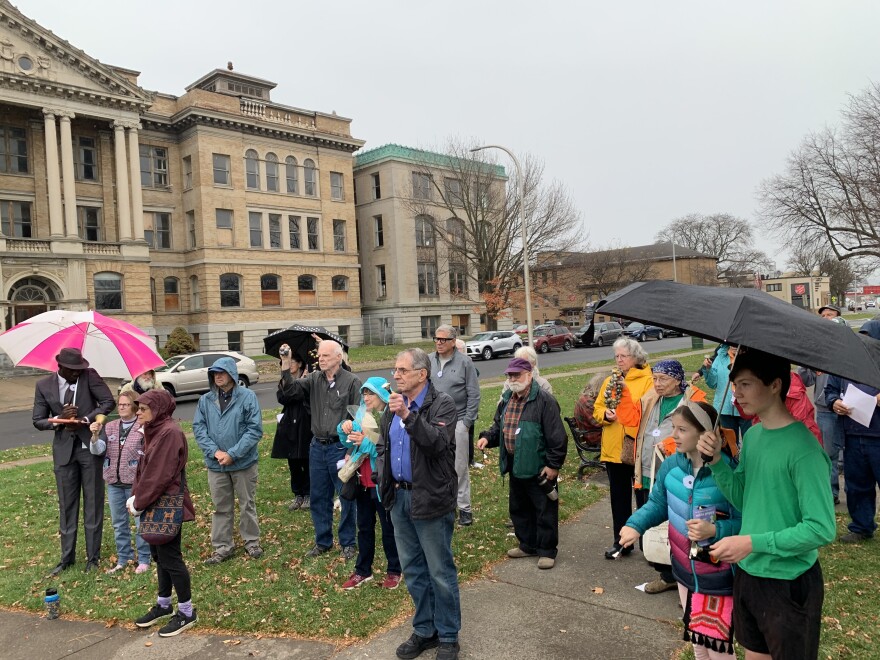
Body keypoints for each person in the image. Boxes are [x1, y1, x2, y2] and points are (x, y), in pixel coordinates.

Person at [697, 348, 836, 660]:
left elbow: (822, 529)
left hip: (788, 583)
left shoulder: (805, 451)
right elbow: (744, 497)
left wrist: (752, 542)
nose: (736, 395)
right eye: (734, 386)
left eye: (745, 384)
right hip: (749, 575)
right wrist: (718, 461)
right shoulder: (756, 436)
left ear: (775, 385)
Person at [620, 401, 741, 659]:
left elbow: (746, 521)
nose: (673, 435)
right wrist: (635, 525)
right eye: (673, 428)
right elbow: (657, 503)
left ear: (705, 434)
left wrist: (715, 529)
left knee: (716, 645)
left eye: (682, 430)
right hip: (684, 571)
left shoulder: (728, 472)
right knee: (697, 638)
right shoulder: (672, 466)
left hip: (717, 575)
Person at [377, 348, 461, 660]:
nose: (395, 375)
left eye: (401, 370)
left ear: (421, 374)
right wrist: (384, 480)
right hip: (399, 497)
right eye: (394, 370)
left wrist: (408, 416)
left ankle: (449, 635)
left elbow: (437, 444)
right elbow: (385, 445)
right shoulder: (392, 406)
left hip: (430, 496)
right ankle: (426, 630)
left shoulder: (442, 404)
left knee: (439, 570)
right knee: (412, 569)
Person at [615, 359, 707, 594]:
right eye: (654, 378)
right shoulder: (650, 398)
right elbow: (631, 421)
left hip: (679, 474)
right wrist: (623, 395)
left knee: (678, 526)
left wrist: (670, 443)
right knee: (653, 520)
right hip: (646, 471)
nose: (657, 383)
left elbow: (705, 430)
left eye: (663, 379)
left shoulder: (694, 399)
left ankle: (685, 574)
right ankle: (666, 573)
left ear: (678, 379)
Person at [477, 357, 567, 569]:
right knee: (519, 508)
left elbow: (557, 437)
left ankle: (546, 550)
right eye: (509, 375)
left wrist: (553, 465)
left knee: (544, 509)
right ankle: (527, 544)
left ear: (529, 375)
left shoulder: (545, 401)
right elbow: (499, 427)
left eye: (516, 375)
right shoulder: (507, 399)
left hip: (539, 467)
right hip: (515, 464)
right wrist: (487, 438)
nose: (512, 379)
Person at [32, 347, 116, 575]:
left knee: (93, 503)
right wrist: (60, 420)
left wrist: (85, 419)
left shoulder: (90, 376)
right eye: (73, 370)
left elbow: (108, 401)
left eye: (80, 369)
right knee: (67, 506)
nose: (78, 373)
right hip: (64, 452)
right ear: (61, 368)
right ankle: (67, 557)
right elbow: (38, 420)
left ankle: (93, 558)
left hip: (89, 448)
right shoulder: (44, 386)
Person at [282, 339, 362, 559]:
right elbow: (289, 390)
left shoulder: (352, 382)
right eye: (319, 355)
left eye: (326, 355)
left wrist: (350, 450)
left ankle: (348, 542)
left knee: (345, 496)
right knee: (318, 496)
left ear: (339, 357)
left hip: (340, 447)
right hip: (317, 447)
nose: (321, 358)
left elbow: (360, 415)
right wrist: (286, 364)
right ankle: (323, 541)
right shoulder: (313, 379)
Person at [128, 389, 198, 637]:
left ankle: (187, 612)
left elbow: (159, 475)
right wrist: (137, 496)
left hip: (167, 503)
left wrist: (139, 501)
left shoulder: (169, 433)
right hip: (153, 502)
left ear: (157, 409)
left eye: (143, 408)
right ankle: (164, 604)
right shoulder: (154, 430)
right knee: (159, 555)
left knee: (171, 557)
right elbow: (144, 470)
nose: (138, 412)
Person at [193, 356, 264, 564]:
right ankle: (222, 546)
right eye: (214, 373)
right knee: (220, 506)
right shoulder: (205, 400)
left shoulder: (247, 397)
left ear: (232, 374)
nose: (218, 376)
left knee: (247, 503)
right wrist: (215, 452)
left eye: (222, 372)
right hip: (216, 465)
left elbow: (254, 429)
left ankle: (251, 542)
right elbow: (198, 428)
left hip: (243, 463)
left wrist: (233, 453)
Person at [337, 377, 402, 590]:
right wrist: (344, 428)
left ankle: (394, 570)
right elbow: (347, 441)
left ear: (382, 395)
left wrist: (366, 443)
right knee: (364, 527)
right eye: (364, 394)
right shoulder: (361, 414)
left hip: (381, 482)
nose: (366, 397)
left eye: (370, 393)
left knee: (388, 528)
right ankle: (363, 570)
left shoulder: (391, 416)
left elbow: (388, 450)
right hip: (361, 482)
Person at [592, 337, 653, 560]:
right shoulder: (611, 380)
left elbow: (648, 412)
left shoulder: (648, 380)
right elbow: (598, 408)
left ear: (635, 357)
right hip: (613, 448)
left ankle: (648, 544)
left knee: (643, 499)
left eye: (623, 356)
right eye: (616, 356)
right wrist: (605, 415)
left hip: (636, 448)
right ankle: (621, 542)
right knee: (618, 499)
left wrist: (625, 414)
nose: (619, 360)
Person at [825, 318, 880, 543]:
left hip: (878, 436)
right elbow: (830, 391)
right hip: (853, 435)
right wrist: (833, 403)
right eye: (862, 339)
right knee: (857, 485)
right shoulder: (845, 364)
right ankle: (861, 527)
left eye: (870, 340)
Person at [89, 391, 152, 574]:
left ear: (134, 406)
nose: (121, 407)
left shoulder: (142, 426)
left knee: (140, 522)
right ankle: (124, 558)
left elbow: (148, 451)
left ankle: (144, 558)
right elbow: (99, 450)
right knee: (118, 523)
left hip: (135, 483)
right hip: (113, 482)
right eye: (120, 404)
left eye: (125, 404)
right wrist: (94, 437)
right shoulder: (110, 427)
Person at [428, 324, 479, 527]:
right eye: (436, 339)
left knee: (459, 466)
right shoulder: (429, 360)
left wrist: (466, 423)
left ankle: (464, 508)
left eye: (443, 339)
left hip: (457, 421)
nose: (438, 343)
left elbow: (474, 393)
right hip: (432, 422)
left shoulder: (465, 363)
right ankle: (439, 505)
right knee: (432, 464)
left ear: (452, 342)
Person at [799, 307, 846, 504]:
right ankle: (831, 492)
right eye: (823, 316)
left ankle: (855, 492)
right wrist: (806, 362)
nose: (825, 318)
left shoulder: (848, 350)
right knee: (828, 453)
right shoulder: (817, 352)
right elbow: (806, 380)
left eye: (830, 315)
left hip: (849, 408)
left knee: (852, 452)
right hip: (825, 409)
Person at [272, 355, 312, 511]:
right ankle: (298, 494)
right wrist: (289, 385)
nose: (287, 365)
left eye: (291, 362)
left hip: (305, 423)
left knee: (306, 461)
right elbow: (283, 398)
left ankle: (308, 494)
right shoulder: (284, 380)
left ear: (300, 363)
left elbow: (299, 395)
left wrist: (299, 385)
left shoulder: (308, 378)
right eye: (284, 363)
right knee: (293, 462)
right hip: (289, 424)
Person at [701, 345, 751, 443]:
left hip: (747, 407)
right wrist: (708, 370)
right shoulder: (720, 358)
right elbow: (713, 383)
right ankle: (733, 459)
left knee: (750, 442)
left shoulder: (750, 358)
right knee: (729, 444)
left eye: (737, 343)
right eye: (731, 343)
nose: (734, 346)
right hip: (724, 408)